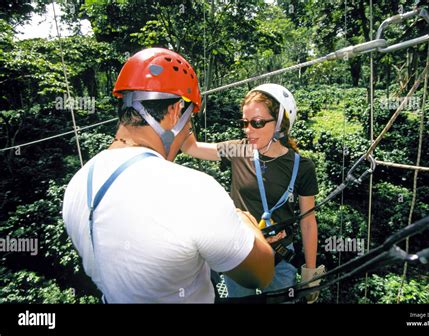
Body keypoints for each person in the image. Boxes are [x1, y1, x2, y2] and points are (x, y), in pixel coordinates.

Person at [62, 48, 274, 303]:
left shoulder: (78, 183)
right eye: (190, 119)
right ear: (175, 111)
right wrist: (245, 221)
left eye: (257, 123)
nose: (249, 128)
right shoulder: (201, 183)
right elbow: (260, 274)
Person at [181, 83, 325, 302]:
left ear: (279, 124)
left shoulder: (301, 166)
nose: (249, 130)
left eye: (257, 123)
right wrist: (183, 109)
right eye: (245, 123)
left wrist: (311, 273)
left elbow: (308, 221)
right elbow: (191, 148)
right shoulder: (239, 150)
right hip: (240, 254)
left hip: (280, 258)